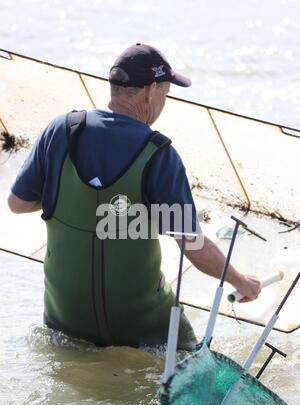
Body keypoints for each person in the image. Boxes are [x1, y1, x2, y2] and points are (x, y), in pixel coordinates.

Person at [7, 44, 261, 350]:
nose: (164, 101)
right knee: (189, 356)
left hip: (66, 317)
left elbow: (17, 204)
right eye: (166, 93)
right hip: (141, 325)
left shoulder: (62, 130)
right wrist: (241, 282)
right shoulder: (159, 154)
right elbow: (193, 245)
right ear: (151, 91)